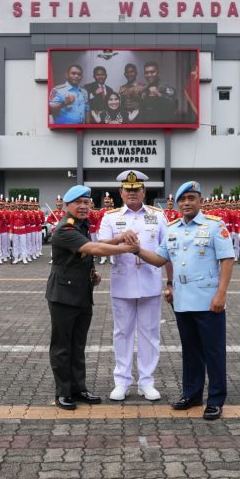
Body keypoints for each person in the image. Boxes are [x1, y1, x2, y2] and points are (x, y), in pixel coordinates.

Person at [135, 180, 235, 421]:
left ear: (200, 201)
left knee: (213, 351)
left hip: (209, 300)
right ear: (178, 204)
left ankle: (215, 399)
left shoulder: (214, 226)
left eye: (191, 198)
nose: (187, 203)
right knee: (191, 351)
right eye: (183, 200)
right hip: (182, 301)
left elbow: (227, 259)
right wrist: (136, 250)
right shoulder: (172, 228)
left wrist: (221, 294)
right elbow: (160, 259)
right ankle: (191, 394)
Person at [46, 184, 139, 411]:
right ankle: (63, 393)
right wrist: (127, 249)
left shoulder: (80, 226)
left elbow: (90, 249)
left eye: (87, 203)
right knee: (62, 347)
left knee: (78, 345)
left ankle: (79, 389)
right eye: (78, 203)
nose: (83, 207)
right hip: (63, 296)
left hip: (81, 292)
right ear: (67, 206)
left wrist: (116, 241)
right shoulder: (66, 229)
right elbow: (93, 249)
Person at [98, 170, 172, 402]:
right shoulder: (110, 217)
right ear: (121, 192)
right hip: (122, 283)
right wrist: (119, 240)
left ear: (143, 191)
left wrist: (170, 283)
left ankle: (146, 382)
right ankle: (122, 381)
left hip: (150, 282)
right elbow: (101, 245)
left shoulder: (158, 216)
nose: (132, 193)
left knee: (150, 334)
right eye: (128, 190)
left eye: (136, 189)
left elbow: (168, 251)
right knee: (122, 333)